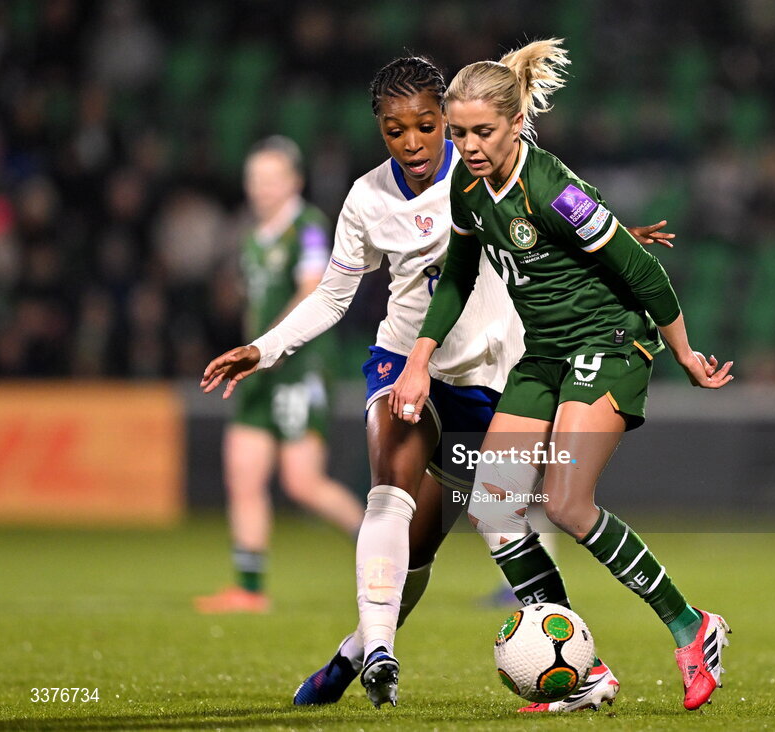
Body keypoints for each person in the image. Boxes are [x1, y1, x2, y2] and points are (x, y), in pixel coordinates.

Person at [200, 57, 672, 711]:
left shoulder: (485, 163)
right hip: (404, 363)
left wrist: (615, 245)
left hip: (491, 381)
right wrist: (266, 345)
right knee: (417, 494)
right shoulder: (368, 199)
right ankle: (414, 656)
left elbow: (563, 212)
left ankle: (352, 655)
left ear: (446, 120)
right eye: (396, 131)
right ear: (381, 131)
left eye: (427, 126)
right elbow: (333, 297)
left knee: (443, 537)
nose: (414, 143)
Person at [389, 39, 734, 712]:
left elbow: (642, 271)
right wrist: (420, 357)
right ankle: (583, 673)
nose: (470, 145)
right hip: (544, 354)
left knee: (568, 504)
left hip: (606, 345)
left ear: (516, 123)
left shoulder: (550, 186)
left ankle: (694, 628)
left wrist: (686, 353)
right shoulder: (467, 185)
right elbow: (459, 275)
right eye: (457, 133)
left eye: (482, 131)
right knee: (494, 506)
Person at [195, 136, 364, 614]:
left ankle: (385, 548)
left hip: (299, 368)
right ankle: (249, 589)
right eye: (254, 179)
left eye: (271, 178)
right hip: (258, 372)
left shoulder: (308, 227)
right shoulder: (253, 237)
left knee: (302, 483)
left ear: (295, 181)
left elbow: (313, 290)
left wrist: (268, 345)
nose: (261, 188)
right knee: (242, 475)